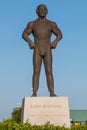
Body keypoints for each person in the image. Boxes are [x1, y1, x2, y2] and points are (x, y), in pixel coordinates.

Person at [22, 4, 62, 96]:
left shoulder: (51, 24)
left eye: (44, 9)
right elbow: (24, 34)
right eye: (40, 9)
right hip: (37, 49)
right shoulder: (32, 24)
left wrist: (55, 42)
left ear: (47, 11)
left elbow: (59, 34)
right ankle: (34, 92)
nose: (42, 11)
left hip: (47, 49)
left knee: (49, 71)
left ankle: (52, 92)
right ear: (37, 11)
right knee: (36, 71)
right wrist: (30, 42)